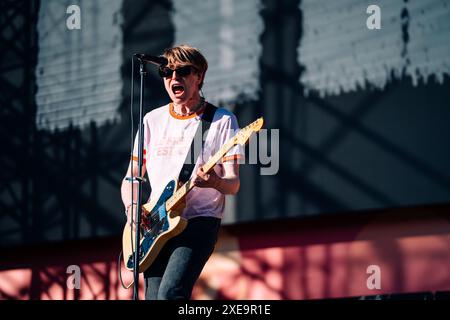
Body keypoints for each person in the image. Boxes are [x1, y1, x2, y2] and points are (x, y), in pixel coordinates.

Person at [120, 44, 243, 300]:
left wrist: (215, 181)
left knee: (171, 293)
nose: (173, 78)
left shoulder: (221, 121)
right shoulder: (151, 120)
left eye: (182, 71)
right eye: (167, 72)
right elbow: (132, 175)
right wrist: (133, 211)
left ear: (198, 76)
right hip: (155, 224)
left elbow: (233, 184)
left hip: (199, 220)